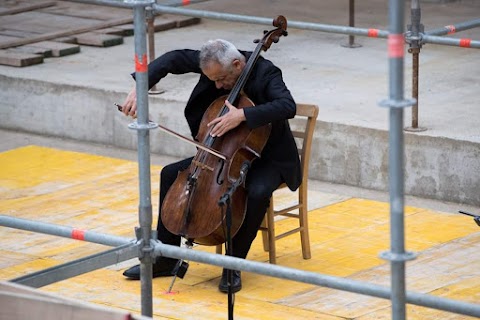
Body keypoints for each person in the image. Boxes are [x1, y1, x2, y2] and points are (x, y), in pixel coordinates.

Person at [120, 39, 301, 293]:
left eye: (221, 80)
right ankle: (166, 258)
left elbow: (287, 105)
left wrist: (243, 115)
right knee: (170, 173)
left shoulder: (266, 72)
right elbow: (173, 57)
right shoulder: (214, 60)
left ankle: (232, 264)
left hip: (267, 156)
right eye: (212, 80)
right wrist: (141, 87)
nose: (217, 86)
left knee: (257, 191)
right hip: (222, 153)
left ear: (237, 64)